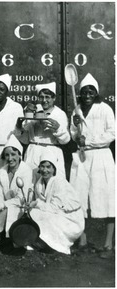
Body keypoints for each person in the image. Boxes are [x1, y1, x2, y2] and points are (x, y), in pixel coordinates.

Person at [69, 73, 115, 259]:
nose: (87, 94)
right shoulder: (76, 110)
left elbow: (112, 133)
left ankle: (108, 244)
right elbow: (73, 133)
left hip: (102, 157)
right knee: (80, 198)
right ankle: (83, 242)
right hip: (82, 158)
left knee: (107, 200)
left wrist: (89, 140)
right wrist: (75, 130)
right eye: (84, 91)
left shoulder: (105, 109)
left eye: (91, 91)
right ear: (80, 93)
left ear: (96, 93)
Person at [27, 152, 85, 255]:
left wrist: (37, 204)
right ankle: (42, 242)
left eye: (48, 167)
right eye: (42, 167)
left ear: (54, 169)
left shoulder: (59, 182)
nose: (45, 170)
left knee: (46, 217)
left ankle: (57, 245)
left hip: (70, 218)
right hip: (54, 212)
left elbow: (55, 208)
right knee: (33, 213)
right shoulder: (39, 183)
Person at [16, 82, 70, 181]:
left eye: (47, 97)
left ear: (54, 98)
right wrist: (22, 124)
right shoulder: (31, 112)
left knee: (53, 184)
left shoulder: (59, 114)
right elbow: (24, 139)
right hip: (33, 152)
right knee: (30, 182)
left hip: (52, 152)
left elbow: (65, 140)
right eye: (41, 97)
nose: (44, 100)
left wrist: (57, 129)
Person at [0, 135, 33, 240]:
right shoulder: (2, 171)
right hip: (5, 205)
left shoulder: (26, 171)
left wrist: (1, 206)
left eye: (13, 154)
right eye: (7, 155)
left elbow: (21, 199)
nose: (10, 159)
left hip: (22, 207)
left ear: (20, 155)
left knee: (5, 215)